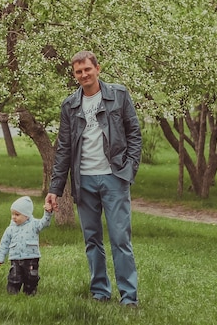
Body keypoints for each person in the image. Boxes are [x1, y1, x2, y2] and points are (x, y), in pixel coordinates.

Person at [45, 50, 142, 307]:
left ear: (98, 68)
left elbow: (134, 133)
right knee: (92, 240)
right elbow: (64, 148)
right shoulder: (70, 105)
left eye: (87, 69)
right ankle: (100, 292)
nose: (83, 75)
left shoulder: (118, 95)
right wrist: (55, 188)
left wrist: (128, 171)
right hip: (83, 181)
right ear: (74, 74)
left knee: (120, 238)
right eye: (78, 71)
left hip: (114, 178)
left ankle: (129, 297)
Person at [0, 196, 53, 296]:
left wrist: (48, 212)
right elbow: (4, 243)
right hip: (15, 258)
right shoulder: (10, 229)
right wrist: (0, 258)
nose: (14, 217)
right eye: (12, 214)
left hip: (31, 258)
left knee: (31, 277)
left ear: (27, 215)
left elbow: (45, 223)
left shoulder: (34, 225)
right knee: (14, 277)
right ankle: (13, 294)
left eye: (17, 214)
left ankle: (30, 293)